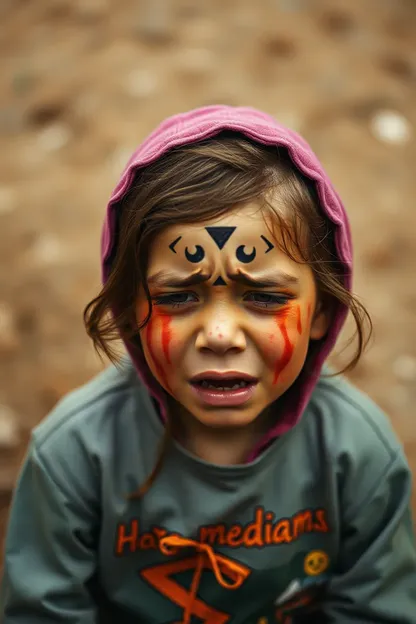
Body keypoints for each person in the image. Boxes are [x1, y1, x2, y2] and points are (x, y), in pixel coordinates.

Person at [1, 106, 415, 624]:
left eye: (263, 297)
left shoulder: (358, 455)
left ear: (323, 311)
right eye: (179, 297)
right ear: (130, 306)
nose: (219, 335)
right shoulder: (73, 459)